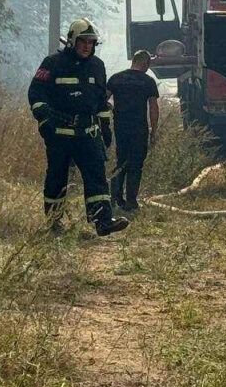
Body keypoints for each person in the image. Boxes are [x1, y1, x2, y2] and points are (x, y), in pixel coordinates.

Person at [27, 19, 129, 236]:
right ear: (72, 41)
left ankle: (103, 221)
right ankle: (54, 222)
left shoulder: (97, 66)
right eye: (83, 42)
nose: (87, 47)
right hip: (60, 134)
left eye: (91, 43)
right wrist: (45, 121)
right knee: (57, 177)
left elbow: (101, 101)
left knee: (96, 176)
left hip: (88, 133)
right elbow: (36, 94)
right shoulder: (52, 63)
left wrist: (105, 127)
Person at [107, 50, 160, 212]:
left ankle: (115, 197)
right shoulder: (148, 81)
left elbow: (102, 99)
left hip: (120, 128)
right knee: (136, 164)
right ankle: (131, 201)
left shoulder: (116, 78)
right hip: (139, 129)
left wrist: (110, 107)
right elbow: (153, 107)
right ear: (145, 63)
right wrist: (154, 130)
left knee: (121, 160)